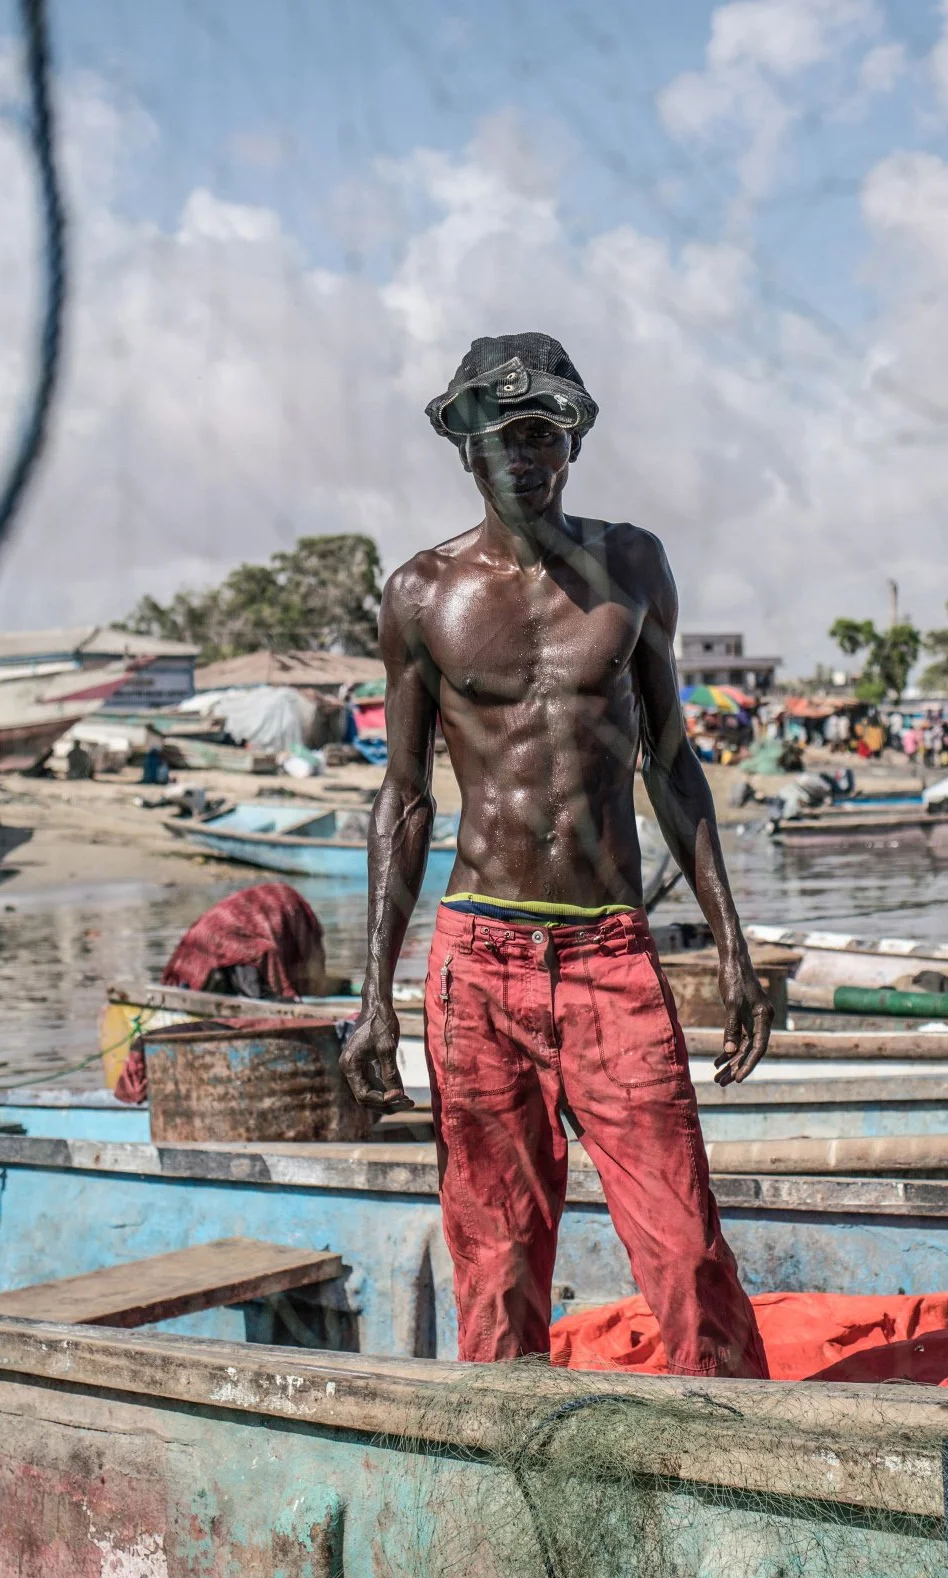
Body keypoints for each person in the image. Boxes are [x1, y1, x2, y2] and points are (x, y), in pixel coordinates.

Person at [339, 332, 770, 1380]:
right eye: (507, 437)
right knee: (494, 1257)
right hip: (477, 963)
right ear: (469, 452)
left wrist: (732, 946)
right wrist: (373, 993)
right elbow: (402, 798)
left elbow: (673, 763)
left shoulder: (633, 567)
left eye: (546, 434)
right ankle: (507, 1458)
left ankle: (745, 1455)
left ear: (571, 443)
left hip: (611, 953)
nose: (528, 457)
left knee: (685, 1244)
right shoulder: (420, 594)